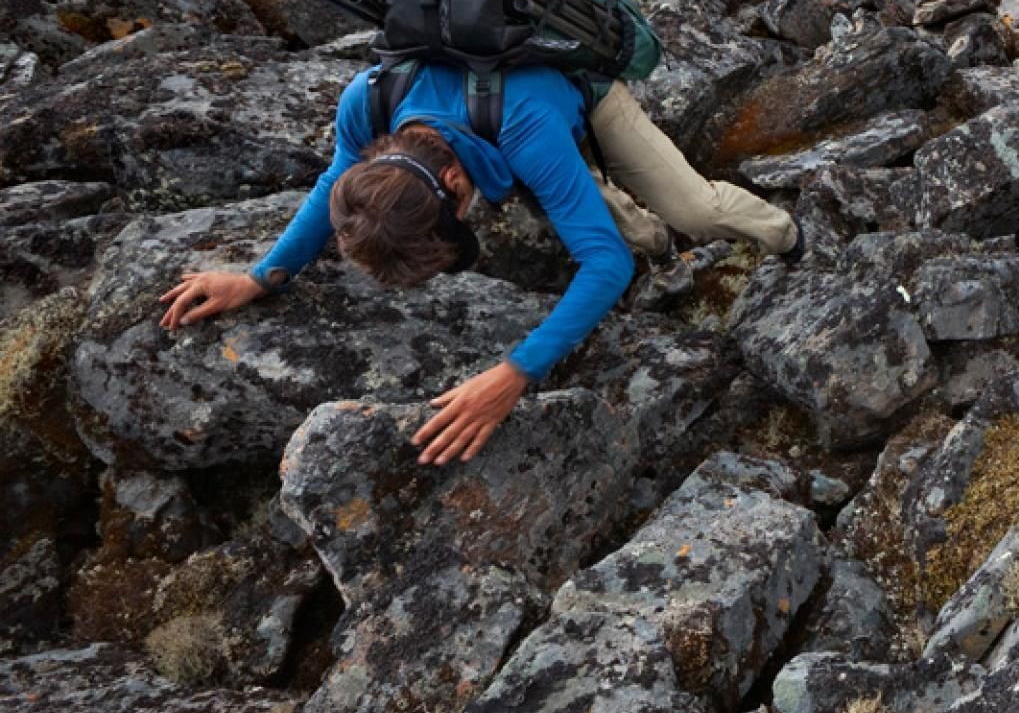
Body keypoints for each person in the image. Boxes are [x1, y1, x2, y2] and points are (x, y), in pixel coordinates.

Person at [158, 66, 799, 465]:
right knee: (612, 221)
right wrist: (259, 277)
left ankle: (790, 237)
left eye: (457, 215)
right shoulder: (368, 101)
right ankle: (657, 246)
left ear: (451, 180)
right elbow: (334, 178)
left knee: (691, 208)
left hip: (571, 99)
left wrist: (516, 373)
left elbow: (604, 266)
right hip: (502, 132)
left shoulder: (524, 128)